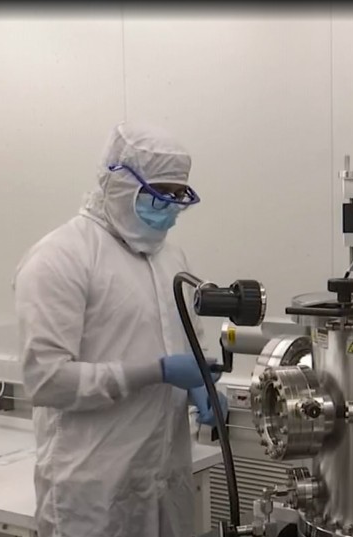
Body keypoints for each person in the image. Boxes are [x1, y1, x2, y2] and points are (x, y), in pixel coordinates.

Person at [13, 122, 228, 537]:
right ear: (117, 181)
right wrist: (156, 372)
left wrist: (201, 386)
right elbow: (46, 380)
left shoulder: (170, 258)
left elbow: (190, 342)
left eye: (177, 196)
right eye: (158, 193)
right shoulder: (60, 258)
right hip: (92, 492)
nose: (168, 208)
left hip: (164, 479)